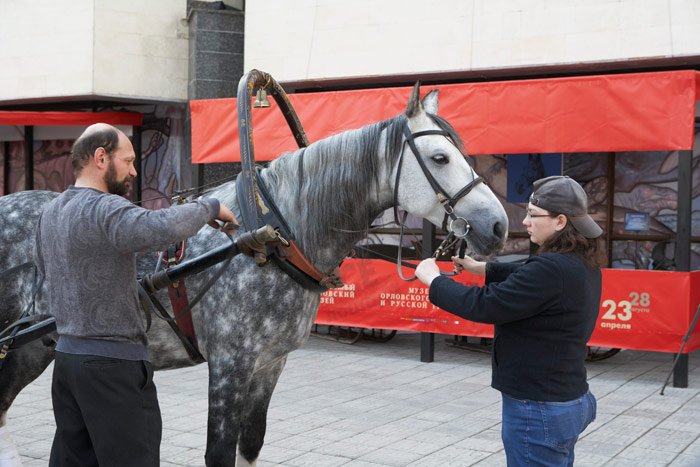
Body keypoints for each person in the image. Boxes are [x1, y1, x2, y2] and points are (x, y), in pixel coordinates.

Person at [34, 123, 236, 467]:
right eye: (127, 160)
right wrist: (211, 207)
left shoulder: (50, 213)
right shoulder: (105, 209)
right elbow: (158, 229)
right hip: (112, 367)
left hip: (67, 362)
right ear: (100, 158)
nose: (134, 170)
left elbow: (45, 267)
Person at [416, 175, 603, 467]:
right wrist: (483, 268)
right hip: (567, 399)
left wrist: (434, 281)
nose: (526, 221)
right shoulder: (578, 263)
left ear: (560, 222)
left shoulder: (551, 269)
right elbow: (531, 275)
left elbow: (485, 305)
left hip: (539, 408)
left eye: (533, 214)